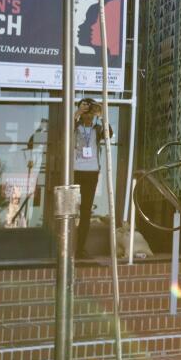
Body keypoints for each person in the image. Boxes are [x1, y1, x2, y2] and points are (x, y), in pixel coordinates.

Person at [73, 98, 108, 258]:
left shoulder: (98, 128)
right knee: (70, 211)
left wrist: (102, 115)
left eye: (91, 112)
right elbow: (65, 129)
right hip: (74, 171)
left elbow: (110, 134)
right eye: (85, 111)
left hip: (92, 173)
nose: (88, 116)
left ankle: (80, 249)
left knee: (86, 211)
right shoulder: (75, 126)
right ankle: (67, 246)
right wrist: (77, 112)